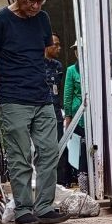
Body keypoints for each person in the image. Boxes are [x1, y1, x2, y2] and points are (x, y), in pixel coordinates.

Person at [0, 0, 68, 224]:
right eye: (32, 0)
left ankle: (44, 205)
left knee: (49, 151)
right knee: (19, 156)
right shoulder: (0, 22)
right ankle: (23, 209)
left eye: (41, 0)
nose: (37, 6)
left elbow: (41, 51)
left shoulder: (42, 19)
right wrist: (5, 86)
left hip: (41, 97)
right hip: (14, 99)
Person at [44, 34, 72, 187]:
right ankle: (48, 180)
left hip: (55, 108)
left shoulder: (58, 66)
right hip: (42, 109)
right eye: (55, 44)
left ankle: (63, 180)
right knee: (45, 146)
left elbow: (58, 88)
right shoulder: (37, 65)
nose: (59, 48)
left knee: (60, 143)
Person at [63, 58, 89, 191]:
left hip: (93, 113)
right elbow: (68, 94)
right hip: (78, 114)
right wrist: (68, 117)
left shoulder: (92, 67)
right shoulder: (72, 70)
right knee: (81, 147)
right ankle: (82, 178)